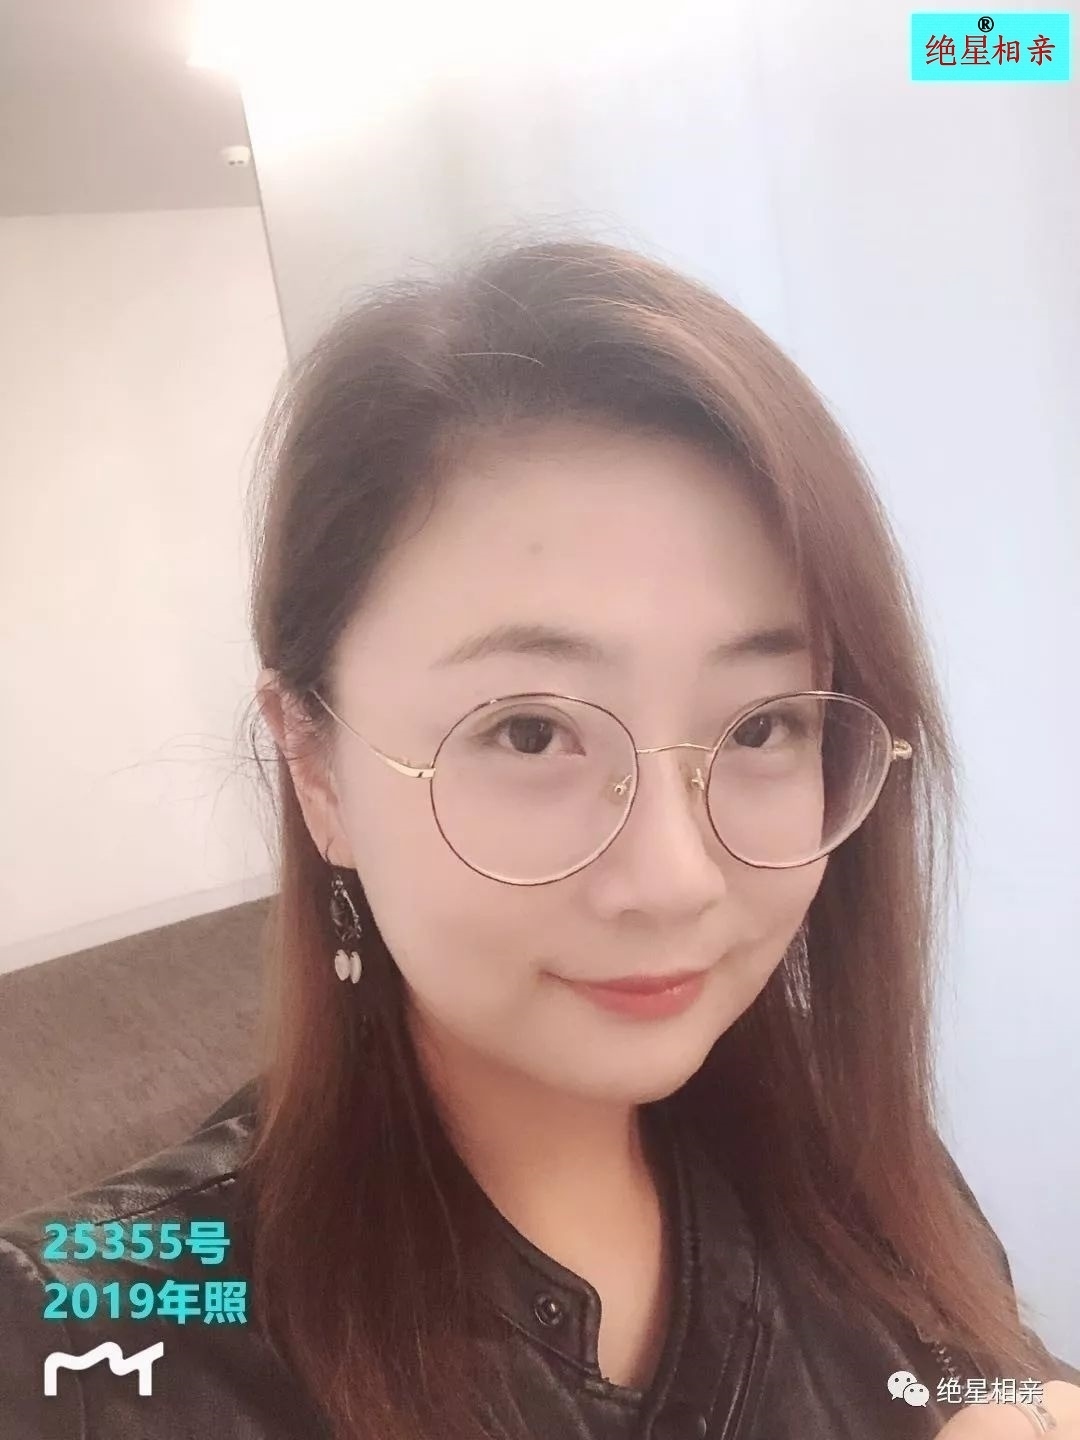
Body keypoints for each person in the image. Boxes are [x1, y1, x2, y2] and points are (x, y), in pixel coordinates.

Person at [1, 236, 1077, 1440]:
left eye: (763, 724)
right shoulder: (81, 1337)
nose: (674, 879)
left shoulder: (841, 1147)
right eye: (528, 732)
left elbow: (969, 1369)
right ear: (314, 762)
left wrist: (1031, 1411)